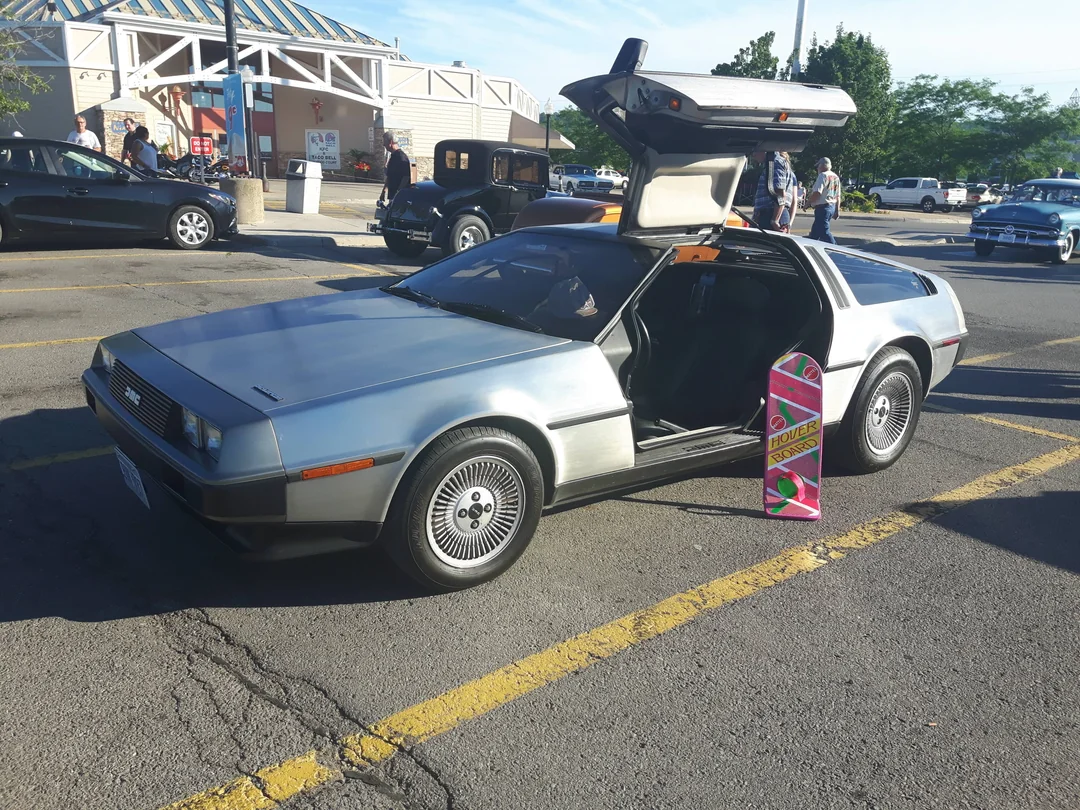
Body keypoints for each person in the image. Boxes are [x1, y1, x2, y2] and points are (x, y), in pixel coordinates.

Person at [752, 150, 794, 232]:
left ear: (765, 149)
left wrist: (775, 220)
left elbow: (780, 193)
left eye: (755, 151)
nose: (753, 155)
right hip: (772, 214)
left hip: (771, 215)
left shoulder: (775, 163)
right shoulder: (772, 163)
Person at [807, 157, 842, 244]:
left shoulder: (823, 175)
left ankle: (835, 249)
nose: (817, 168)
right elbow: (838, 196)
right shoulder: (835, 177)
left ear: (823, 166)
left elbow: (817, 193)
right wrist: (837, 211)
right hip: (831, 207)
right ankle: (810, 248)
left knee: (824, 232)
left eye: (818, 166)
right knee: (815, 233)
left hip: (822, 208)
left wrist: (808, 203)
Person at [380, 133, 411, 205]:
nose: (383, 144)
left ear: (390, 142)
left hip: (399, 197)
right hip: (392, 194)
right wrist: (384, 191)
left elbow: (406, 177)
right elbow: (389, 176)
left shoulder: (401, 157)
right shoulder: (393, 156)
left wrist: (398, 193)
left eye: (385, 142)